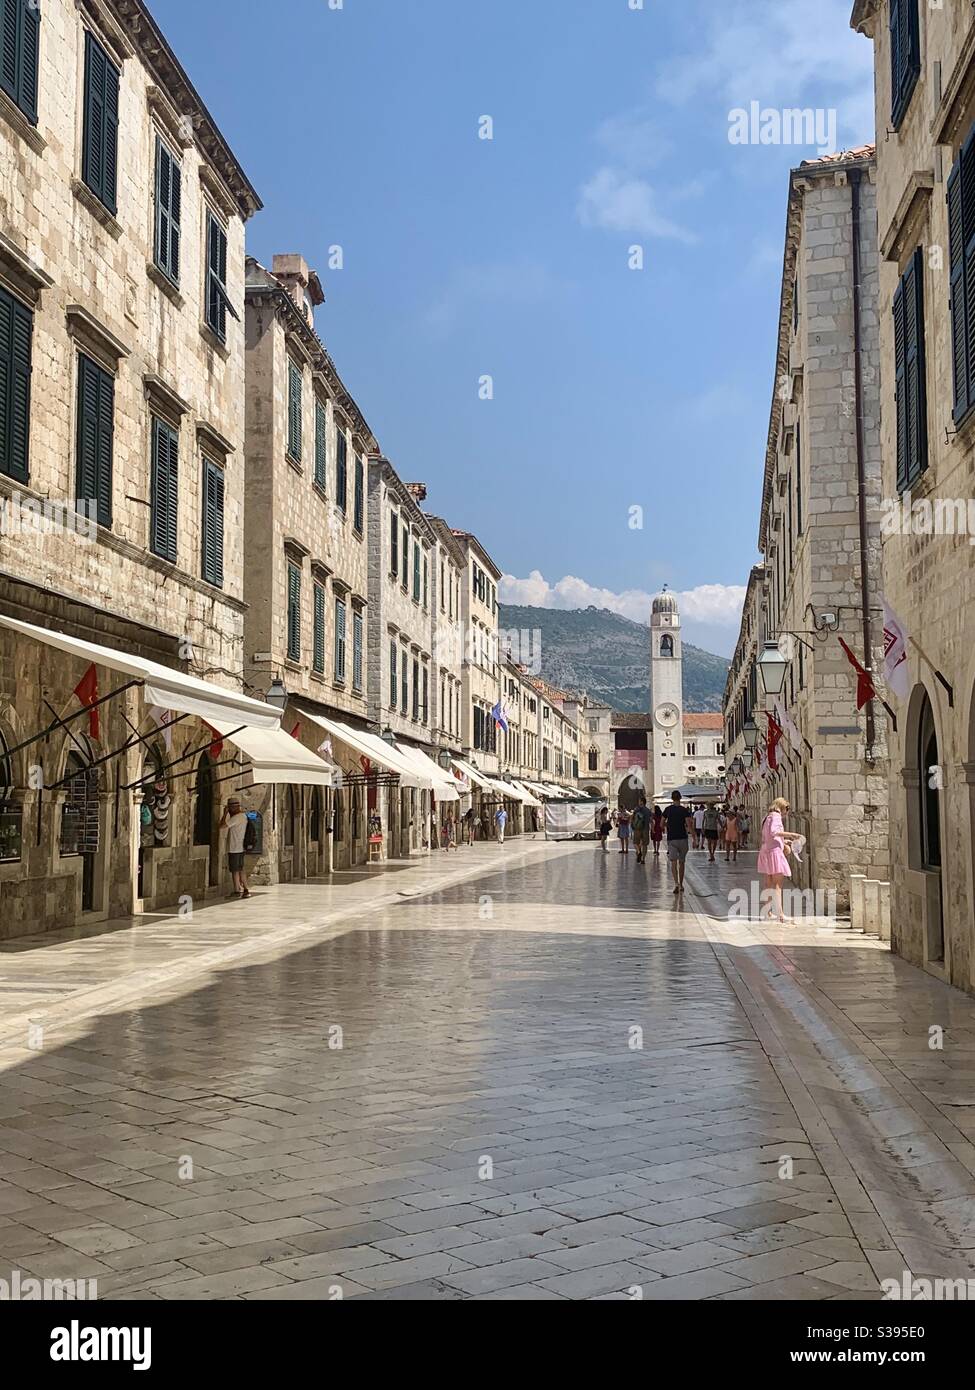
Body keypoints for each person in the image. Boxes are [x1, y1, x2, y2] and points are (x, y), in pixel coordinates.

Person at [757, 796, 801, 923]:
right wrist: (791, 834)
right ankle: (780, 914)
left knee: (768, 883)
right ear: (782, 807)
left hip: (766, 851)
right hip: (774, 853)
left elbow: (768, 835)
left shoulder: (767, 817)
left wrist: (783, 841)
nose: (786, 813)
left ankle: (767, 912)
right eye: (787, 809)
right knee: (777, 885)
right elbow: (774, 831)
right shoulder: (776, 816)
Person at [662, 791, 694, 895]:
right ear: (680, 798)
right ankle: (681, 884)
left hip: (672, 839)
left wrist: (668, 825)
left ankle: (676, 883)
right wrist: (695, 838)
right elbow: (689, 825)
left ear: (672, 798)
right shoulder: (684, 810)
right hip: (683, 838)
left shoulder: (667, 810)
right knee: (682, 862)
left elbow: (661, 824)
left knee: (673, 862)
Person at [220, 797, 251, 899]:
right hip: (241, 847)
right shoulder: (243, 816)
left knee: (234, 870)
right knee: (241, 869)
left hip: (234, 848)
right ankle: (246, 890)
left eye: (229, 808)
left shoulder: (236, 818)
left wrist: (224, 814)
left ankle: (237, 891)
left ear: (232, 808)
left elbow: (222, 826)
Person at [631, 796, 652, 863]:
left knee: (635, 842)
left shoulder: (636, 809)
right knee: (645, 844)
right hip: (645, 829)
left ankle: (639, 851)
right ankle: (643, 859)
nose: (638, 802)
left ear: (642, 802)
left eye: (639, 801)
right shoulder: (648, 811)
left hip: (637, 828)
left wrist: (632, 824)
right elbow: (650, 820)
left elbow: (632, 818)